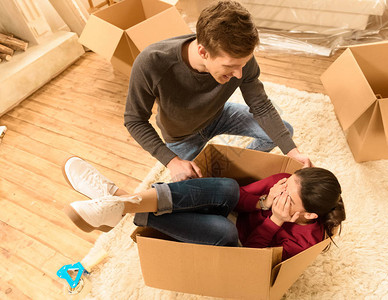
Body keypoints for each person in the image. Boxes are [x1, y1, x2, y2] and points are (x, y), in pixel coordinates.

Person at [124, 0, 313, 182]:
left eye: (244, 64)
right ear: (203, 52)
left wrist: (292, 152)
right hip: (181, 137)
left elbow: (261, 105)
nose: (239, 74)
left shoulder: (239, 60)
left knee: (284, 133)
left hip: (219, 115)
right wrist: (172, 162)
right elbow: (135, 120)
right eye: (230, 66)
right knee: (193, 189)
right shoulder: (152, 62)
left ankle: (233, 169)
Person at [63, 157, 345, 260]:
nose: (283, 189)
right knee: (229, 188)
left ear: (310, 215)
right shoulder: (283, 182)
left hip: (236, 244)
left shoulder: (306, 242)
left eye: (290, 197)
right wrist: (263, 201)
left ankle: (117, 197)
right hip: (229, 211)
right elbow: (238, 199)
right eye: (287, 183)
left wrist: (275, 220)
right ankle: (121, 203)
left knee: (224, 230)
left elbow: (251, 258)